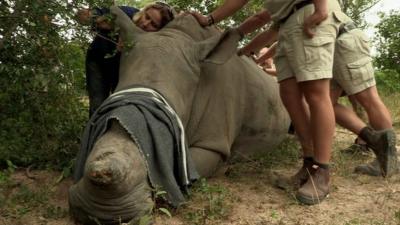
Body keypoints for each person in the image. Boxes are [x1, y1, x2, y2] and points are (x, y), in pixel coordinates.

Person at [190, 0, 359, 205]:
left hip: (310, 11)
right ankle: (308, 162)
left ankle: (322, 170)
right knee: (289, 94)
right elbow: (257, 16)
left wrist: (321, 7)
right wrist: (213, 21)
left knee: (315, 92)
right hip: (285, 24)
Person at [235, 18, 398, 177]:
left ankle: (392, 158)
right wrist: (258, 59)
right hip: (327, 47)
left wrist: (245, 52)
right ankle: (373, 138)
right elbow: (280, 39)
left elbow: (268, 28)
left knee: (368, 98)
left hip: (343, 39)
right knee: (328, 104)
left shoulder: (293, 7)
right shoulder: (290, 19)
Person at [76, 2, 174, 116]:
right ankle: (94, 132)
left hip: (121, 71)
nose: (146, 23)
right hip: (97, 61)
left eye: (154, 24)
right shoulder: (126, 12)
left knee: (118, 105)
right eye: (147, 17)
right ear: (143, 11)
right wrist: (96, 19)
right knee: (97, 104)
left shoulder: (153, 42)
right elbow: (87, 15)